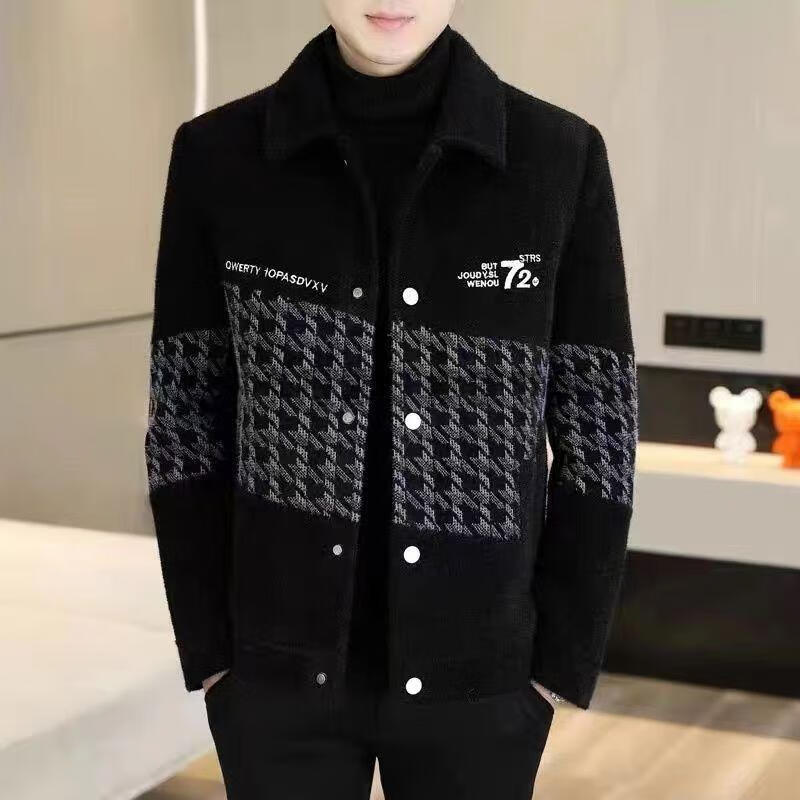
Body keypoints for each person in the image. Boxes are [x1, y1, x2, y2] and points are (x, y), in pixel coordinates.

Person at [144, 1, 638, 797]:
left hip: (483, 681)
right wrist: (210, 653)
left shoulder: (558, 158)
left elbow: (599, 428)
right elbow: (183, 416)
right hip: (273, 677)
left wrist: (557, 666)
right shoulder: (218, 155)